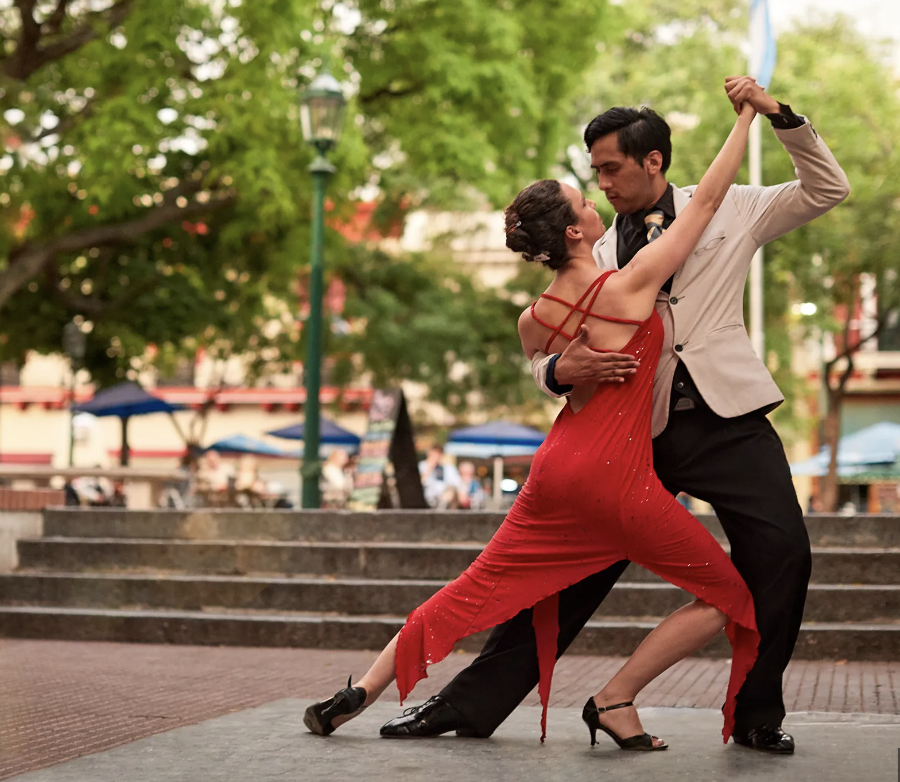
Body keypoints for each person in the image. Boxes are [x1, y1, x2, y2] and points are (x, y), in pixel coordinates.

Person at [382, 76, 849, 754]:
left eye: (610, 167)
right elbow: (545, 347)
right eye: (593, 170)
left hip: (730, 419)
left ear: (652, 160)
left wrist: (782, 117)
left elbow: (827, 188)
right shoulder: (593, 247)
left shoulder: (732, 206)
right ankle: (467, 704)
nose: (600, 182)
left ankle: (756, 714)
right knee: (570, 571)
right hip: (631, 434)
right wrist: (554, 372)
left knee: (782, 555)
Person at [304, 98, 762, 750]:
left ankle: (359, 692)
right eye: (583, 201)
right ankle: (615, 699)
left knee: (472, 589)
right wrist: (744, 120)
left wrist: (555, 371)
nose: (594, 198)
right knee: (728, 595)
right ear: (575, 232)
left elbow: (550, 374)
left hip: (554, 473)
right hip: (616, 481)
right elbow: (708, 202)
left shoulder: (534, 319)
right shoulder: (627, 288)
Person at [418, 445, 461, 509]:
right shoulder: (421, 466)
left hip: (444, 496)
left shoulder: (448, 468)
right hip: (426, 495)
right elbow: (421, 481)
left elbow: (457, 483)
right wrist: (430, 468)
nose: (437, 456)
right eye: (434, 453)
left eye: (439, 453)